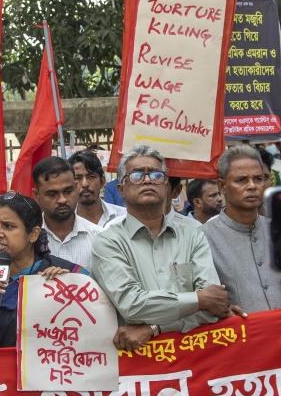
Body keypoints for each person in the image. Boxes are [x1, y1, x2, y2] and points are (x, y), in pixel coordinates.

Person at [91, 145, 235, 352]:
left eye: (156, 175)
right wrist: (197, 299)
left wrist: (154, 328)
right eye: (137, 175)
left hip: (195, 355)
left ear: (166, 185)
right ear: (121, 189)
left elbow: (213, 306)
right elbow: (132, 306)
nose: (148, 180)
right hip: (140, 366)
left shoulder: (193, 234)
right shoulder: (107, 241)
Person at [0, 193, 85, 348]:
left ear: (33, 234)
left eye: (8, 226)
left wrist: (69, 288)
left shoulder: (61, 271)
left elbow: (88, 323)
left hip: (42, 368)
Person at [201, 146, 281, 312]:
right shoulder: (204, 237)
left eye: (258, 179)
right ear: (222, 186)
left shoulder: (279, 229)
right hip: (243, 335)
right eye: (241, 180)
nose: (252, 186)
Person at [33, 156, 102, 270]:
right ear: (37, 195)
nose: (62, 200)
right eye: (52, 194)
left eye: (68, 191)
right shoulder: (26, 242)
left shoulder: (99, 237)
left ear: (76, 187)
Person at [68, 149, 126, 227]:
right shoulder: (65, 223)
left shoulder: (123, 217)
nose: (85, 184)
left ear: (102, 182)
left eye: (91, 177)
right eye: (77, 178)